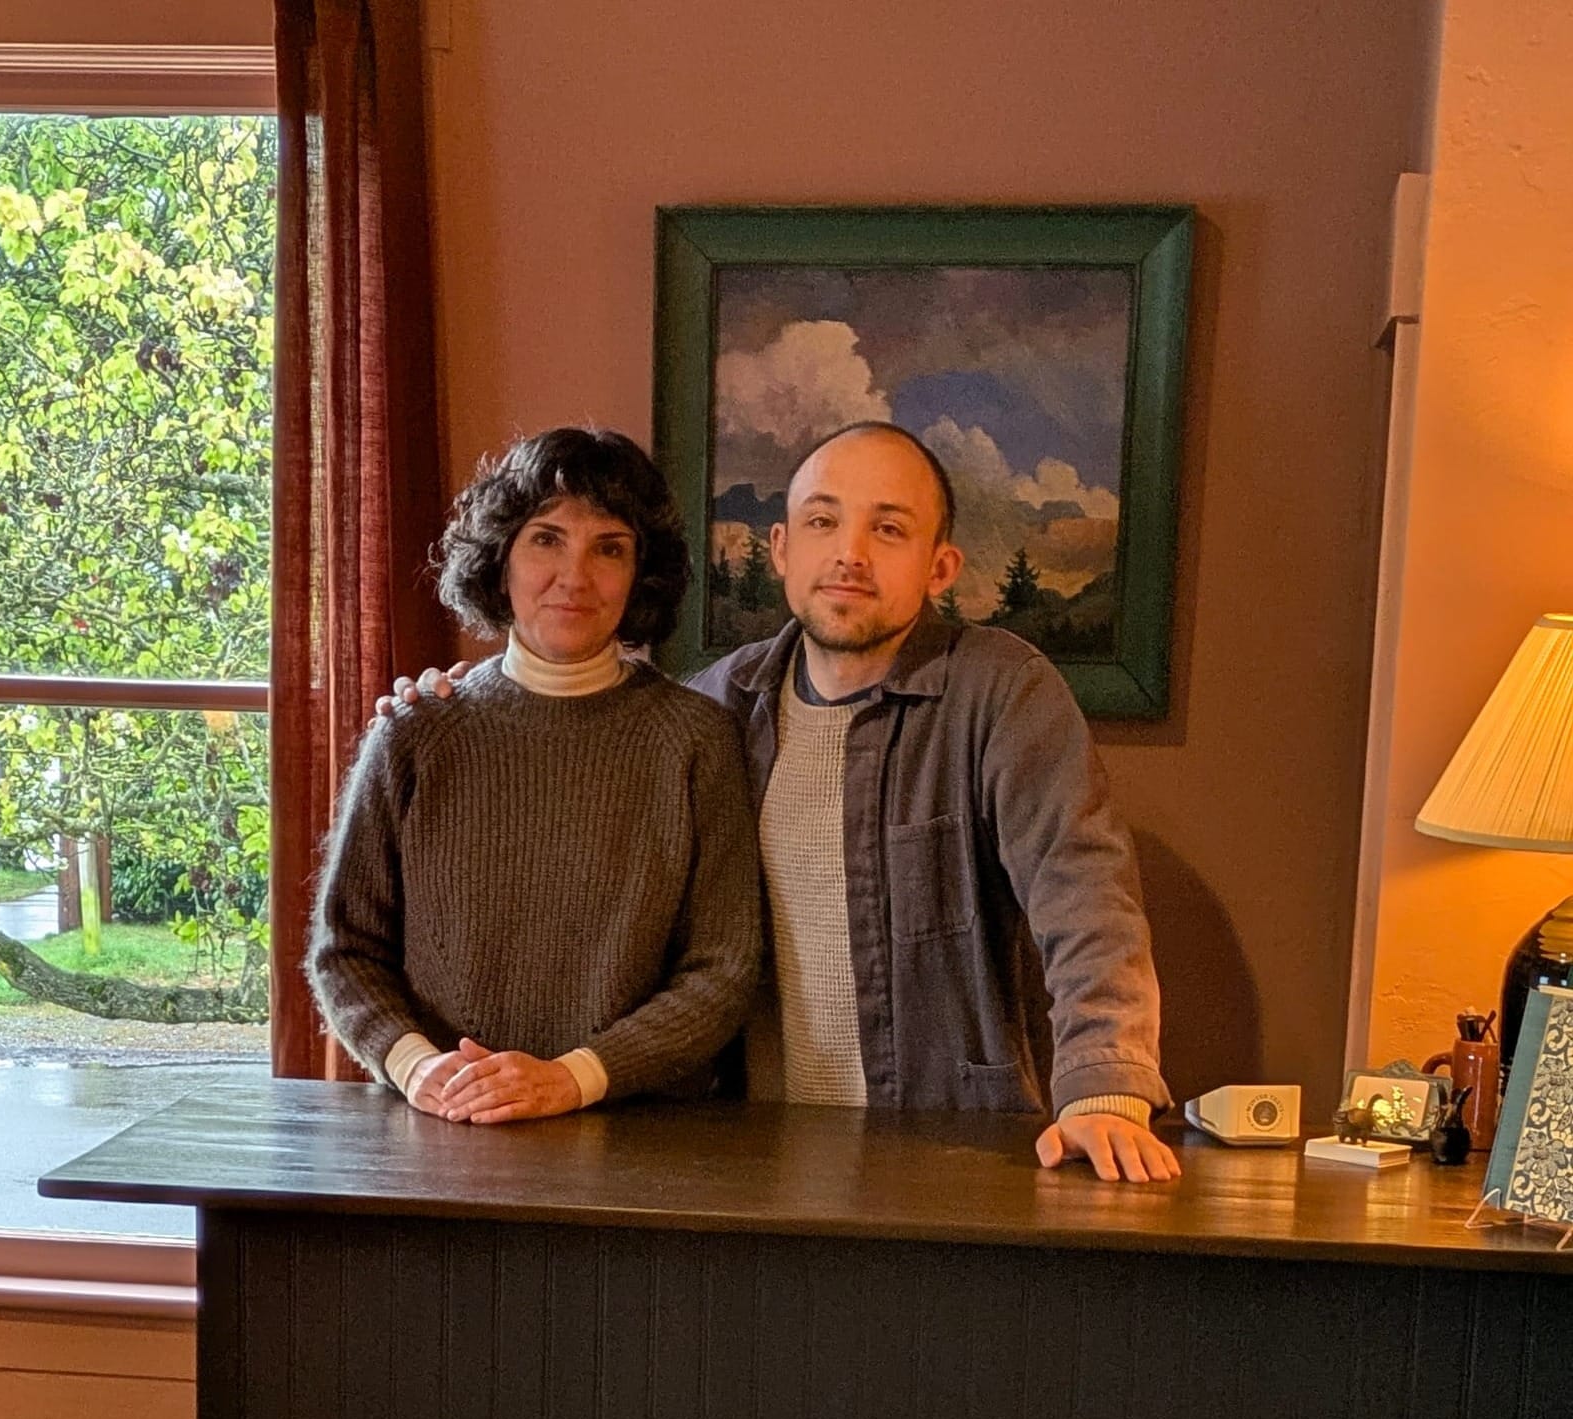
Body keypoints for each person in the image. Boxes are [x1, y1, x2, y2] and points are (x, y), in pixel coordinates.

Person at [387, 421, 1178, 1181]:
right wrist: (454, 702)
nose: (849, 554)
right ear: (781, 548)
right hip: (753, 1155)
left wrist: (1104, 1091)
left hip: (952, 1148)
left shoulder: (1000, 694)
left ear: (940, 568)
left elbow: (1086, 897)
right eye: (823, 521)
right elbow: (578, 741)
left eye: (889, 529)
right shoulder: (717, 707)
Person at [307, 426, 761, 1125]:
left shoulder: (697, 741)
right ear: (500, 560)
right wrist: (417, 1066)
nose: (574, 577)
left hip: (639, 1137)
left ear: (641, 574)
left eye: (609, 548)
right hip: (445, 1126)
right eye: (546, 539)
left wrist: (572, 1078)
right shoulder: (415, 732)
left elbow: (723, 969)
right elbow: (346, 950)